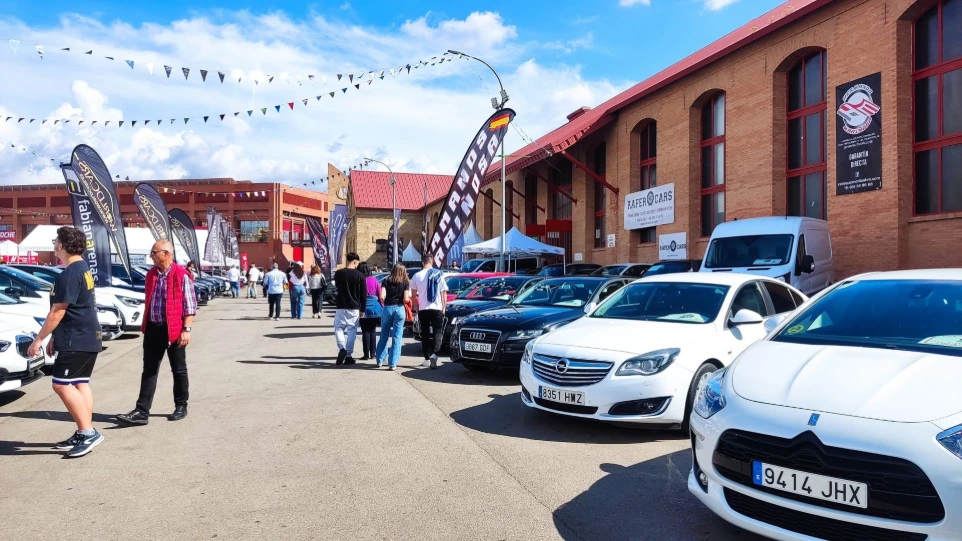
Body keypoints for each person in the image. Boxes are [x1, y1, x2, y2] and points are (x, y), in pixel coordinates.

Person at [26, 226, 104, 457]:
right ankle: (84, 431)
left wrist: (38, 339)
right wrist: (54, 336)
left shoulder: (70, 274)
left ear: (61, 245)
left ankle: (88, 433)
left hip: (76, 338)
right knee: (80, 384)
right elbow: (74, 308)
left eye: (55, 240)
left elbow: (58, 311)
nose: (54, 244)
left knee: (61, 384)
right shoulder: (82, 268)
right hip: (84, 336)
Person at [117, 240, 197, 425]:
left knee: (178, 369)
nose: (151, 256)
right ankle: (141, 411)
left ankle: (181, 406)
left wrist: (186, 329)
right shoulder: (151, 274)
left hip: (174, 329)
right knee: (149, 370)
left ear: (166, 254)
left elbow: (190, 305)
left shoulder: (181, 275)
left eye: (154, 252)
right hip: (153, 328)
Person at [410, 254, 447, 369]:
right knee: (437, 332)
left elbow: (413, 296)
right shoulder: (439, 274)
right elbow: (443, 293)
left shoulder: (416, 275)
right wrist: (444, 308)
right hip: (437, 308)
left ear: (422, 262)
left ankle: (426, 358)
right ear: (432, 262)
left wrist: (416, 308)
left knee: (425, 333)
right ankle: (435, 355)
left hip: (423, 309)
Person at [375, 264, 410, 371]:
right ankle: (393, 363)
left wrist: (385, 302)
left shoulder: (386, 281)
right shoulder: (405, 282)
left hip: (387, 308)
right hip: (399, 309)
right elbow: (406, 299)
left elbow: (382, 296)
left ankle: (380, 360)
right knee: (397, 337)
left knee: (384, 335)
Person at [333, 252, 365, 365]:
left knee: (338, 328)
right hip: (354, 307)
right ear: (355, 261)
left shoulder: (339, 273)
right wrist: (363, 309)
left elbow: (337, 287)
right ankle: (348, 355)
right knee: (352, 331)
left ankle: (342, 347)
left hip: (341, 305)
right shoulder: (360, 275)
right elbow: (363, 294)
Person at [358, 262, 381, 360]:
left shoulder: (359, 280)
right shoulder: (374, 280)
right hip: (374, 308)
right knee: (373, 330)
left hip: (363, 307)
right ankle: (373, 353)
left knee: (365, 331)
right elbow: (380, 294)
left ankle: (366, 354)